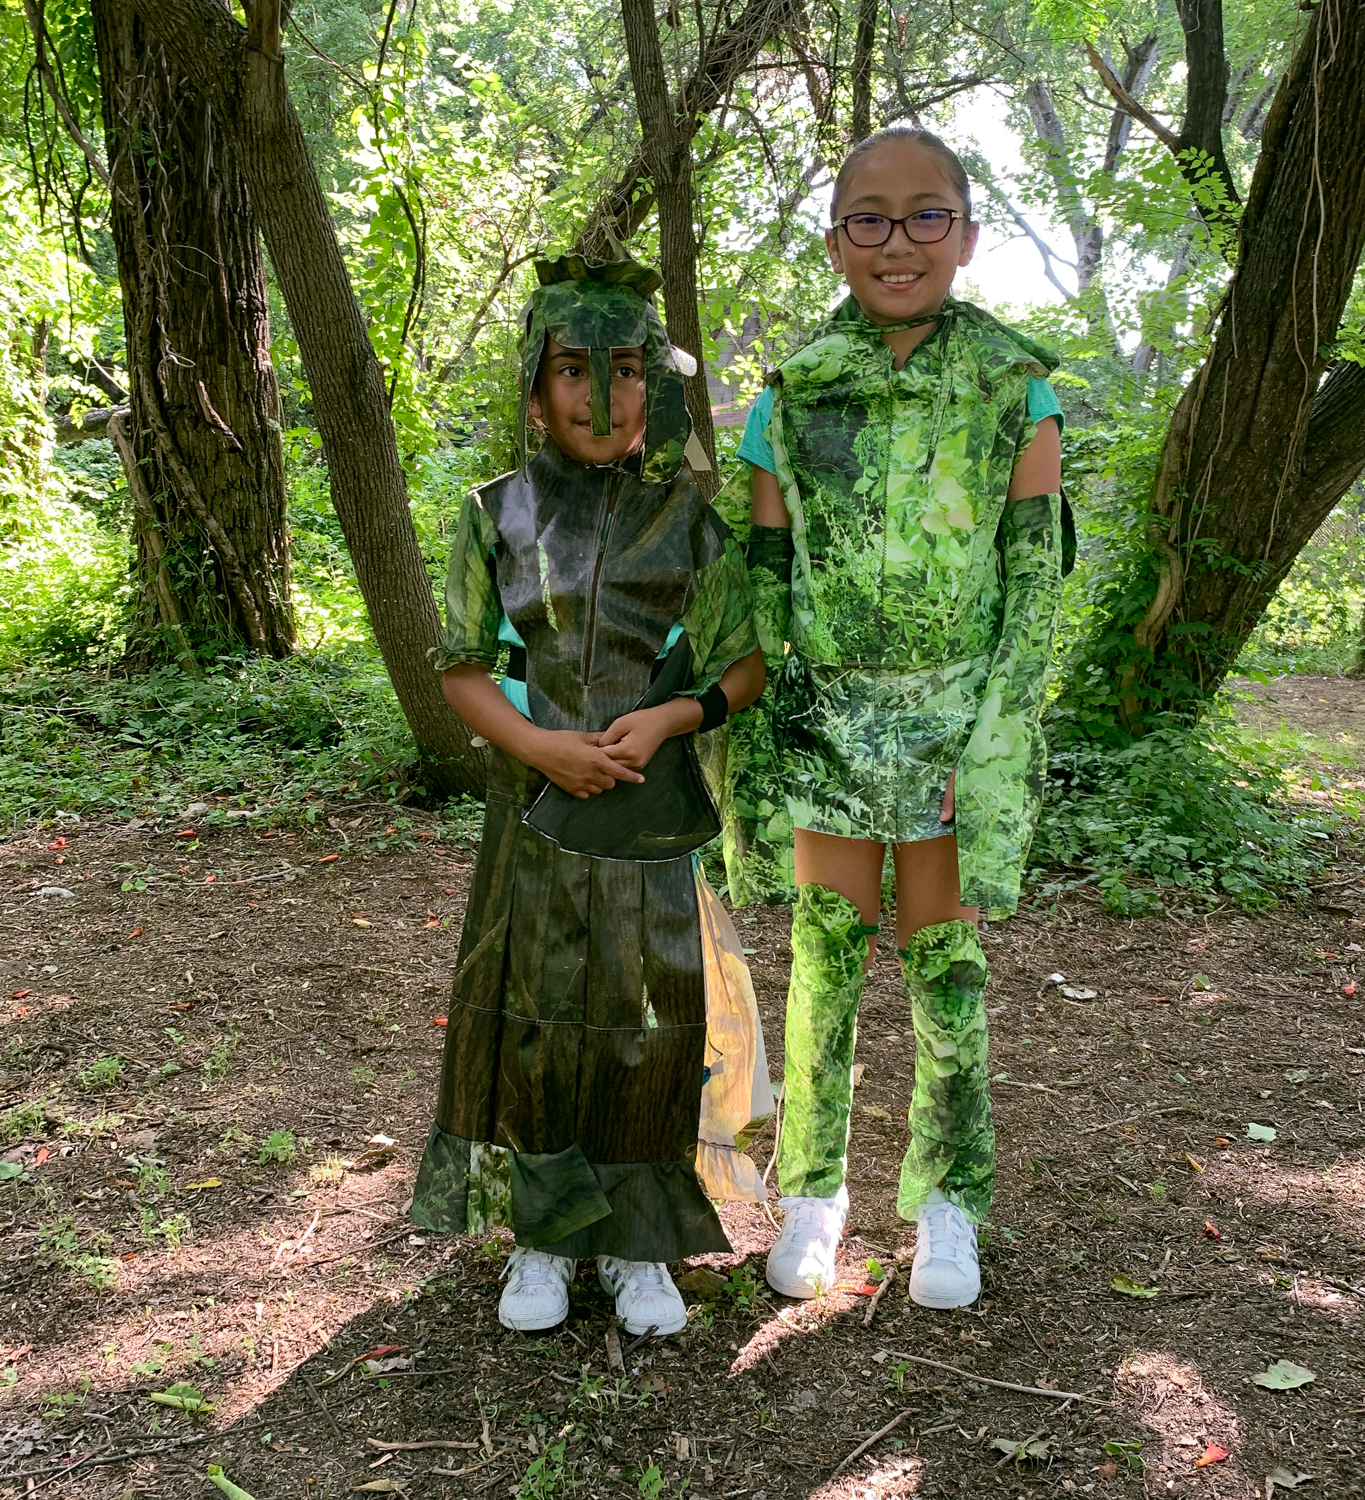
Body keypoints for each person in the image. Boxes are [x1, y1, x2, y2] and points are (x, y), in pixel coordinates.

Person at [733, 126, 1069, 1310]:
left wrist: (992, 741)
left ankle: (948, 1204)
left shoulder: (1015, 389)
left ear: (967, 236)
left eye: (928, 214)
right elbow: (764, 582)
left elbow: (1034, 585)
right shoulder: (792, 393)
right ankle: (813, 1191)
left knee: (947, 966)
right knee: (822, 959)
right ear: (836, 241)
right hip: (827, 722)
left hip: (956, 725)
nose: (898, 242)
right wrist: (767, 737)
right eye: (869, 218)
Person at [410, 255, 767, 1338]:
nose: (599, 398)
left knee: (647, 1019)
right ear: (534, 388)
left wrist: (671, 719)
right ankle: (546, 1235)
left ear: (653, 391)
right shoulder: (496, 514)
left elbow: (745, 666)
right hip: (534, 820)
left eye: (624, 372)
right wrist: (540, 747)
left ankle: (639, 1242)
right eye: (573, 370)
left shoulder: (689, 519)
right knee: (536, 1016)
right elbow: (461, 667)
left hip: (648, 822)